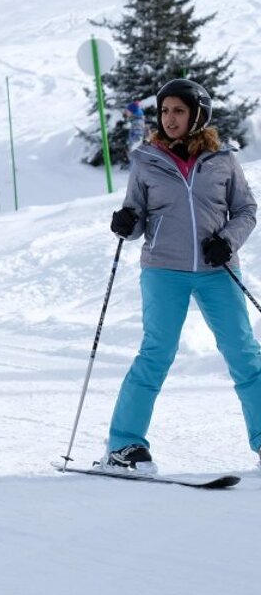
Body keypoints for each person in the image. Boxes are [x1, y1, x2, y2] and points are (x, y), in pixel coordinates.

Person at [105, 78, 261, 472]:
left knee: (245, 355)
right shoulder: (146, 159)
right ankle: (124, 447)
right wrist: (125, 222)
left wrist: (227, 240)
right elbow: (136, 219)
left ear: (198, 114)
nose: (169, 118)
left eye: (178, 110)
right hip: (163, 270)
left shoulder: (222, 160)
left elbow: (246, 210)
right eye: (164, 110)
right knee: (156, 354)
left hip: (217, 270)